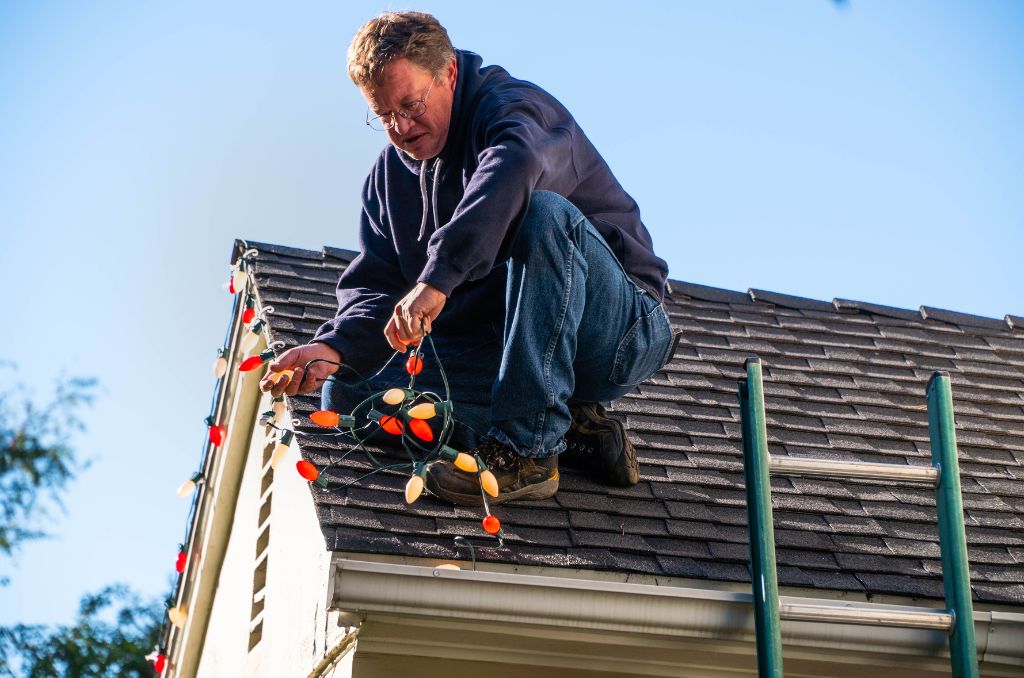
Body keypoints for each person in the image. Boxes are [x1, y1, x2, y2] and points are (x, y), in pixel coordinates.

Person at [260, 11, 674, 507]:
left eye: (411, 105)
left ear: (449, 73)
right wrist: (336, 349)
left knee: (542, 213)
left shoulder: (515, 111)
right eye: (383, 115)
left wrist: (438, 278)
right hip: (510, 350)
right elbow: (377, 288)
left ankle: (529, 450)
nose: (401, 128)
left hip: (617, 330)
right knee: (351, 396)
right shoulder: (388, 178)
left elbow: (514, 167)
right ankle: (568, 430)